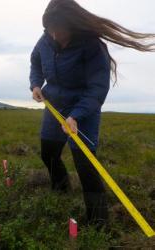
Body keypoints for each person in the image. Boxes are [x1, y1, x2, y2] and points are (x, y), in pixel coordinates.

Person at [29, 0, 155, 230]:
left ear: (73, 26)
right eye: (50, 30)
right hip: (55, 107)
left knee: (86, 166)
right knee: (48, 153)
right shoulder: (45, 39)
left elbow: (97, 89)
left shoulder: (92, 46)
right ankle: (61, 188)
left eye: (60, 30)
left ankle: (98, 223)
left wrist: (76, 115)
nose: (55, 36)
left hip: (83, 110)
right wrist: (36, 84)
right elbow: (35, 61)